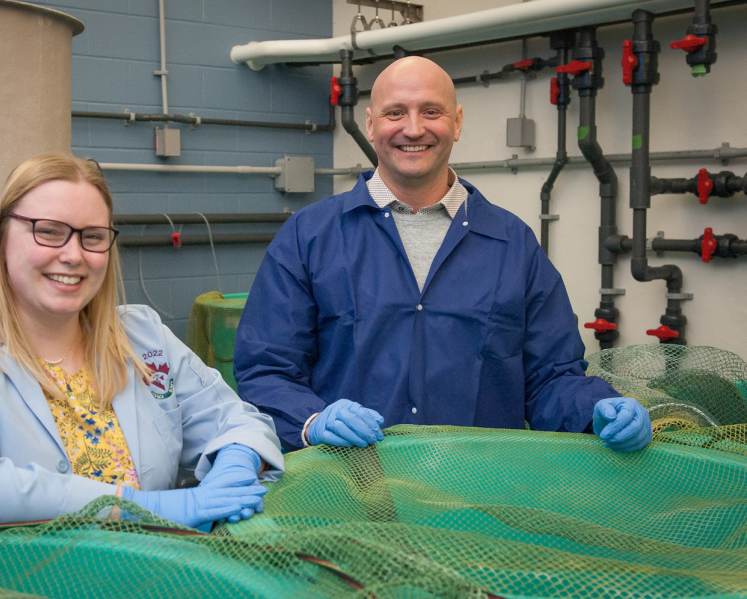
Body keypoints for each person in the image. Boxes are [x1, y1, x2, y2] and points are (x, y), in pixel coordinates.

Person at [234, 56, 651, 454]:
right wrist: (310, 420)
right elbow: (267, 369)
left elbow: (550, 376)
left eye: (431, 111)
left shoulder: (512, 244)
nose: (413, 129)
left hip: (479, 497)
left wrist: (595, 408)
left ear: (457, 123)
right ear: (370, 124)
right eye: (395, 112)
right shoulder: (310, 236)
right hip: (348, 490)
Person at [0, 153, 284, 528]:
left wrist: (236, 462)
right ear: (2, 236)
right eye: (49, 232)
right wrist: (151, 507)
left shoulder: (141, 336)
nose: (73, 255)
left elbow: (236, 420)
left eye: (92, 237)